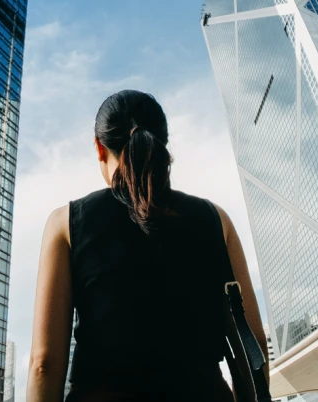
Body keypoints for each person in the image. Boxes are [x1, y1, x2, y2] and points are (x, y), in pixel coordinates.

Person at [26, 90, 266, 402]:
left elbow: (44, 364)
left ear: (99, 147)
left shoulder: (65, 223)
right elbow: (253, 343)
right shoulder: (216, 219)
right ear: (162, 142)